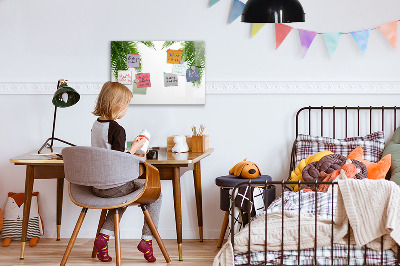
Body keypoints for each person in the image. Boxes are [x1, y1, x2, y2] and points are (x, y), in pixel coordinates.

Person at [91, 81, 161, 263]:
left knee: (121, 198)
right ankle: (147, 240)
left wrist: (130, 149)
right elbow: (118, 161)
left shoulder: (96, 125)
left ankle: (103, 238)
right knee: (156, 194)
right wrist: (135, 149)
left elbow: (108, 154)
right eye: (127, 105)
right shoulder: (117, 129)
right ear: (117, 105)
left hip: (97, 186)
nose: (127, 109)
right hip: (114, 186)